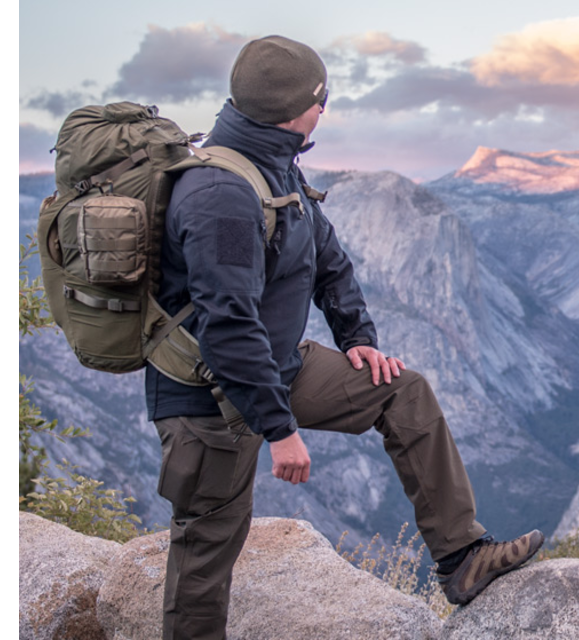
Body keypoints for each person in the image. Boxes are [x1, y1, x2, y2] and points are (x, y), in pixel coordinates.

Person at [145, 34, 544, 640]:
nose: (325, 109)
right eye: (320, 98)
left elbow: (326, 257)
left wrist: (357, 335)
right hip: (209, 395)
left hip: (276, 365)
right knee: (208, 549)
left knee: (401, 391)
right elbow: (227, 326)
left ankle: (463, 559)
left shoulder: (274, 160)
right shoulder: (221, 194)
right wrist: (279, 429)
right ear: (290, 107)